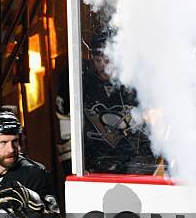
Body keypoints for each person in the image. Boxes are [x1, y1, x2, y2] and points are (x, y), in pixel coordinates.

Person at [57, 31, 155, 174]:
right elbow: (66, 131)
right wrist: (73, 169)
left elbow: (151, 131)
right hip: (93, 166)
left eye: (108, 60)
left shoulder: (136, 82)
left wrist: (144, 165)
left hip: (132, 164)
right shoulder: (77, 82)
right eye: (98, 60)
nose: (103, 66)